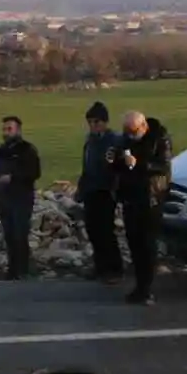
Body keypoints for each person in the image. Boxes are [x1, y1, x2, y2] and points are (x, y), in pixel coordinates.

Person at [112, 110, 173, 306]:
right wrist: (116, 160)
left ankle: (147, 289)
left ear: (144, 126)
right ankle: (139, 286)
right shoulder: (126, 140)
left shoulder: (159, 139)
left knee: (147, 245)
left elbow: (163, 166)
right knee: (134, 244)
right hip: (130, 197)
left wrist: (139, 164)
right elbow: (116, 165)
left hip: (150, 198)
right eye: (126, 130)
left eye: (133, 130)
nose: (129, 134)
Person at [77, 101, 123, 284]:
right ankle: (100, 266)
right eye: (90, 122)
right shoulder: (90, 141)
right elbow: (86, 166)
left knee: (106, 231)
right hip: (91, 190)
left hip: (105, 190)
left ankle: (114, 268)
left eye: (96, 122)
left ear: (104, 122)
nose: (93, 126)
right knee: (93, 230)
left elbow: (114, 166)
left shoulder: (113, 141)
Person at [0, 115, 41, 280]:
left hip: (22, 198)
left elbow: (34, 172)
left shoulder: (27, 150)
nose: (6, 133)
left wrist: (12, 178)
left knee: (20, 233)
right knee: (9, 235)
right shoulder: (1, 151)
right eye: (4, 129)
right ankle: (12, 270)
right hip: (5, 200)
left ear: (18, 130)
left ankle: (22, 270)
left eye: (9, 129)